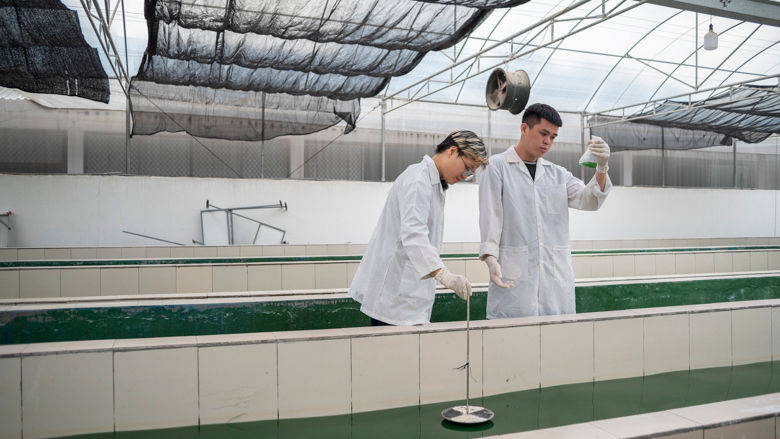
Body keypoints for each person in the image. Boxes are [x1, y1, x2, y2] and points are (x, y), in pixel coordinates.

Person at [478, 103, 611, 318]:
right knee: (512, 334)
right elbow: (490, 217)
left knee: (557, 335)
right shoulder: (496, 167)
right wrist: (490, 258)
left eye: (553, 137)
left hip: (555, 282)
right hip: (514, 280)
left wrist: (602, 167)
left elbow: (590, 200)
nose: (548, 141)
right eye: (543, 133)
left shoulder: (558, 174)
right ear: (524, 128)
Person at [349, 130, 489, 326]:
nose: (465, 176)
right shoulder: (417, 179)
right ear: (452, 151)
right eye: (467, 169)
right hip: (394, 298)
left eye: (471, 173)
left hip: (409, 297)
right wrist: (444, 275)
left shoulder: (435, 184)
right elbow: (414, 234)